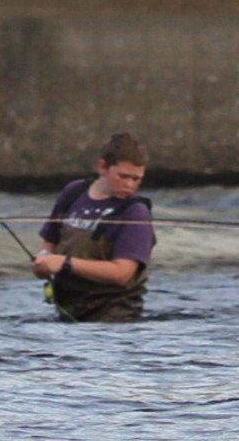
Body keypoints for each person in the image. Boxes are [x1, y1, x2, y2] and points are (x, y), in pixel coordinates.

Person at [31, 135, 156, 322]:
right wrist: (43, 262)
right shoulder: (73, 193)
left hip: (115, 318)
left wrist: (65, 263)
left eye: (136, 179)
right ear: (103, 167)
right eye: (123, 176)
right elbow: (50, 242)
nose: (130, 185)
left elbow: (122, 273)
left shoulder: (135, 212)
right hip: (68, 312)